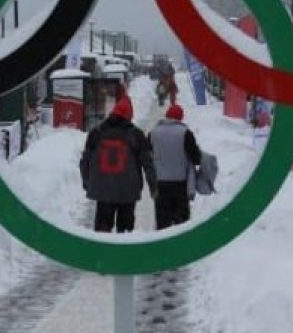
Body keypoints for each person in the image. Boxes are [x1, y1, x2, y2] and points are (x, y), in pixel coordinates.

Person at [79, 96, 156, 233]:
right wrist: (153, 187)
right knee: (125, 233)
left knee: (102, 232)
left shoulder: (96, 133)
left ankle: (102, 254)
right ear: (129, 115)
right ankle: (123, 253)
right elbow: (148, 163)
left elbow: (85, 161)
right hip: (128, 192)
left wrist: (87, 182)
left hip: (103, 191)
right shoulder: (136, 135)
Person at [149, 103, 203, 229]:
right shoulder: (185, 133)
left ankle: (162, 246)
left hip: (160, 184)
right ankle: (180, 247)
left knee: (162, 222)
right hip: (180, 185)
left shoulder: (153, 133)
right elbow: (196, 158)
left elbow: (148, 155)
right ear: (180, 118)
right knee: (181, 223)